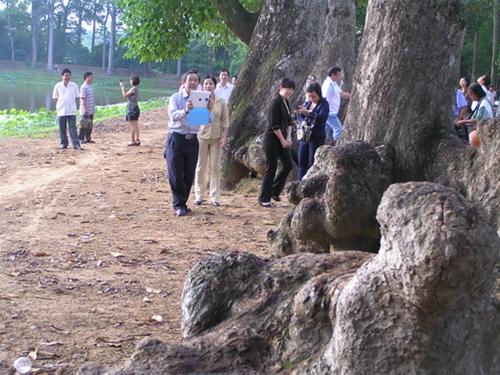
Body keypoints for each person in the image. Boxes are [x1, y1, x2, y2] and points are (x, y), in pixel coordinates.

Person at [166, 69, 201, 217]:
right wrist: (186, 110)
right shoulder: (176, 98)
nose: (193, 82)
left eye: (195, 80)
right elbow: (173, 116)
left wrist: (209, 111)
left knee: (189, 174)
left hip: (192, 140)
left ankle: (183, 202)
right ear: (184, 82)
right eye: (190, 80)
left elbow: (202, 121)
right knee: (175, 173)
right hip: (176, 138)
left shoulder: (201, 99)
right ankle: (179, 204)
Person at [258, 78, 295, 207]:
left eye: (291, 90)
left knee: (288, 164)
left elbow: (290, 121)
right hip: (272, 139)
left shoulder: (286, 102)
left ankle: (274, 191)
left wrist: (289, 138)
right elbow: (274, 126)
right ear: (281, 88)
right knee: (271, 167)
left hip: (283, 139)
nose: (289, 92)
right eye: (287, 89)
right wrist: (283, 140)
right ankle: (264, 198)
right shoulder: (275, 102)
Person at [194, 75, 229, 206]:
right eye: (206, 84)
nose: (208, 86)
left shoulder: (221, 102)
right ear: (203, 86)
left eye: (211, 84)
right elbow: (196, 120)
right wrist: (206, 108)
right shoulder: (198, 99)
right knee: (200, 167)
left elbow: (225, 121)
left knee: (215, 168)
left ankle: (214, 197)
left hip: (216, 137)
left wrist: (224, 138)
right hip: (201, 136)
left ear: (215, 86)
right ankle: (199, 195)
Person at [296, 82, 329, 179]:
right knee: (301, 163)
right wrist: (302, 116)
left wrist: (309, 113)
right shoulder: (307, 104)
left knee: (312, 163)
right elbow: (299, 116)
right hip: (304, 137)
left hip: (316, 138)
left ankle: (311, 185)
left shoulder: (324, 104)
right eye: (309, 97)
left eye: (313, 97)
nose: (311, 99)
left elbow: (322, 118)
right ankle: (299, 184)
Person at [52, 68, 81, 150]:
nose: (67, 77)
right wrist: (60, 104)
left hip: (71, 111)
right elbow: (55, 98)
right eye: (65, 75)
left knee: (73, 128)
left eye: (68, 75)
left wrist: (70, 104)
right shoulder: (58, 86)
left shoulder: (74, 85)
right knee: (62, 128)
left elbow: (76, 97)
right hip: (61, 110)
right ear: (62, 76)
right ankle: (63, 144)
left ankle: (76, 144)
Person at [321, 66, 352, 143]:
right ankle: (338, 145)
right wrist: (325, 111)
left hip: (332, 111)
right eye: (338, 75)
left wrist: (353, 96)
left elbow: (341, 94)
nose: (340, 77)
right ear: (333, 75)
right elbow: (324, 97)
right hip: (329, 112)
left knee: (325, 130)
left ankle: (322, 145)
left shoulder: (333, 84)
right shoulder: (328, 85)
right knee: (338, 128)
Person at [120, 75, 141, 146]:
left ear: (133, 81)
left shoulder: (133, 89)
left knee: (132, 125)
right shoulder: (136, 88)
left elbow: (124, 95)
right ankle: (137, 139)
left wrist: (122, 87)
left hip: (132, 108)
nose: (130, 81)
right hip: (135, 107)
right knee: (135, 124)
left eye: (131, 80)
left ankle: (132, 140)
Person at [79, 72, 95, 144]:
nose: (92, 78)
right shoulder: (83, 87)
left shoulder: (90, 86)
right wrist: (85, 110)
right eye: (91, 77)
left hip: (91, 109)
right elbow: (83, 99)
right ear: (86, 77)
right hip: (85, 110)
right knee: (83, 125)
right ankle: (81, 139)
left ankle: (88, 138)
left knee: (90, 125)